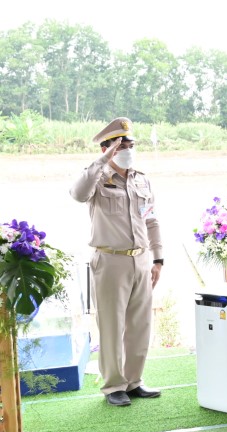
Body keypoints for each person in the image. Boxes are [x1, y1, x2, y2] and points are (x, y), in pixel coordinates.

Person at [70, 117, 164, 407]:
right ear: (106, 148)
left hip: (141, 260)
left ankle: (134, 381)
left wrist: (158, 258)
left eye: (130, 144)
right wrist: (102, 161)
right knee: (111, 325)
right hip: (110, 261)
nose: (127, 149)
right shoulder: (97, 178)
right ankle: (114, 386)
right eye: (121, 145)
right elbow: (78, 194)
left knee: (140, 324)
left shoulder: (141, 179)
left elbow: (151, 220)